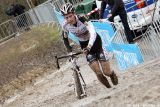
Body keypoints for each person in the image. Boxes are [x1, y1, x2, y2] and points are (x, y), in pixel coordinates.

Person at [60, 3, 118, 88]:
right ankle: (110, 89)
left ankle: (112, 74)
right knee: (97, 71)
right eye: (66, 17)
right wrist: (69, 51)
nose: (69, 19)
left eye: (70, 16)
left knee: (106, 72)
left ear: (74, 14)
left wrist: (89, 46)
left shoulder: (83, 19)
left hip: (95, 42)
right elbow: (65, 38)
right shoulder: (65, 25)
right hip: (84, 44)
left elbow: (93, 33)